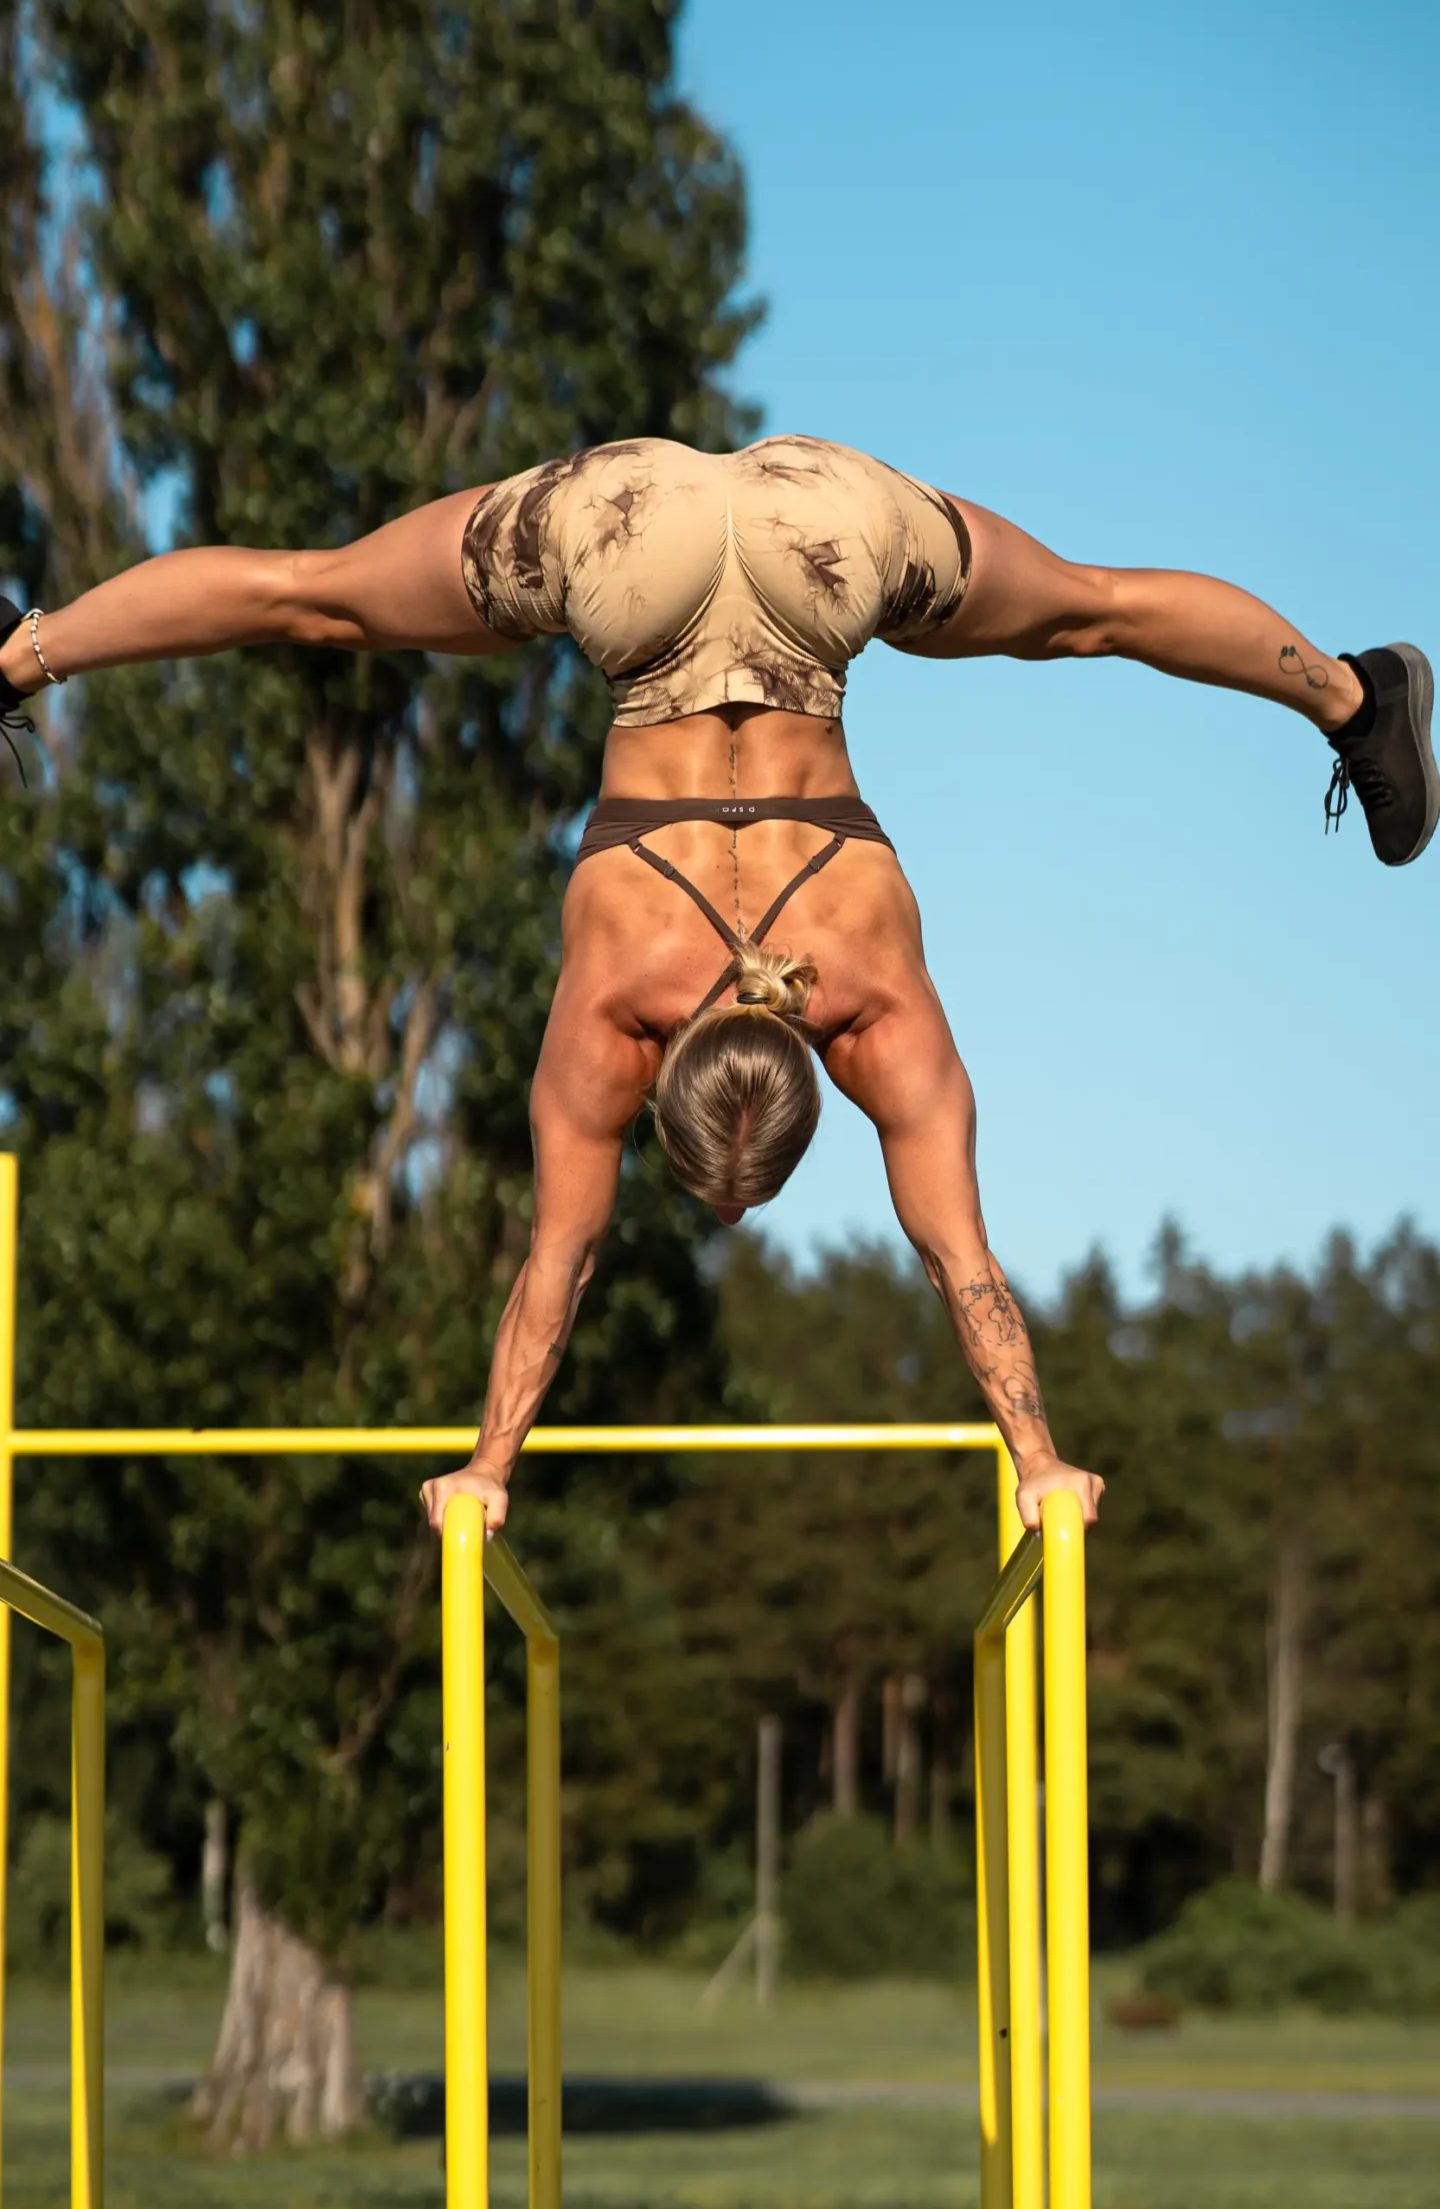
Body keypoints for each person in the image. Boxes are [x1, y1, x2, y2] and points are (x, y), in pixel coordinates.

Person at [3, 434, 1434, 1543]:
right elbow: (554, 1266)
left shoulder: (870, 997)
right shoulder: (618, 1003)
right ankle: (1350, 695)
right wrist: (482, 1468)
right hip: (638, 546)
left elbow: (967, 1268)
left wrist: (1043, 1453)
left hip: (809, 536)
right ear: (663, 1074)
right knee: (309, 605)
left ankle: (1357, 698)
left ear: (815, 1071)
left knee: (1090, 614)